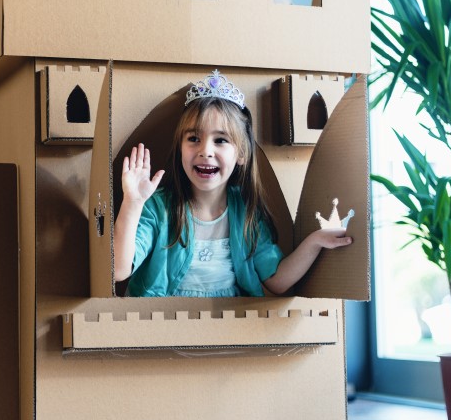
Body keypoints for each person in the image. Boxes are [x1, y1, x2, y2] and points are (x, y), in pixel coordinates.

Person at [113, 70, 352, 297]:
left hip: (226, 322)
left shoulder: (246, 213)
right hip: (167, 323)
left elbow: (276, 279)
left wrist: (315, 241)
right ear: (180, 149)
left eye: (220, 140)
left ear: (241, 154)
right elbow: (119, 270)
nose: (205, 151)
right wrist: (133, 203)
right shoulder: (158, 208)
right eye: (194, 138)